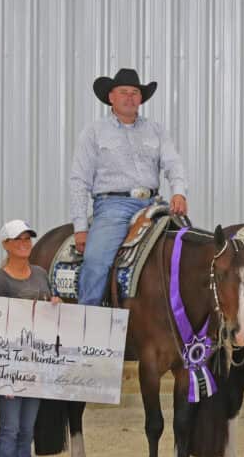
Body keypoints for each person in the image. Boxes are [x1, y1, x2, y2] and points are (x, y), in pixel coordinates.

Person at [69, 67, 188, 306]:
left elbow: (173, 163)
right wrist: (80, 226)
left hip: (154, 204)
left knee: (187, 251)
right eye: (123, 92)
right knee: (96, 261)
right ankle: (86, 320)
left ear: (141, 98)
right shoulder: (94, 132)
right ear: (111, 97)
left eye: (135, 92)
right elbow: (79, 180)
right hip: (113, 206)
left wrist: (179, 192)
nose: (130, 97)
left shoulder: (156, 130)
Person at [0, 220, 59, 457]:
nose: (24, 243)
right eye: (18, 239)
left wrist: (55, 303)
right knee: (10, 428)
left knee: (26, 429)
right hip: (9, 365)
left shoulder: (40, 274)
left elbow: (49, 304)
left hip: (35, 364)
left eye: (27, 238)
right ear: (6, 245)